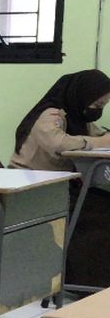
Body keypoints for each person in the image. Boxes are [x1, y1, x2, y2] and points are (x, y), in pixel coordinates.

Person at [10, 70, 110, 289]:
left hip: (57, 184)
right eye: (96, 103)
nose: (98, 109)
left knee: (101, 201)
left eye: (103, 105)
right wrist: (100, 141)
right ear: (82, 95)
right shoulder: (50, 115)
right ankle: (85, 281)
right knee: (97, 214)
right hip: (32, 187)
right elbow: (60, 144)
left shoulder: (77, 117)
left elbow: (97, 135)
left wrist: (102, 138)